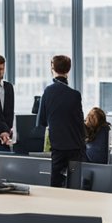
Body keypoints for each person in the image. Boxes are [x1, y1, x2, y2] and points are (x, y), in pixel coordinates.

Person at [36, 55, 85, 187]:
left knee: (56, 184)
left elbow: (41, 121)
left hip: (58, 146)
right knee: (75, 183)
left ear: (52, 68)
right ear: (68, 70)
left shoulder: (48, 91)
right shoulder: (75, 95)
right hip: (76, 146)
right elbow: (80, 122)